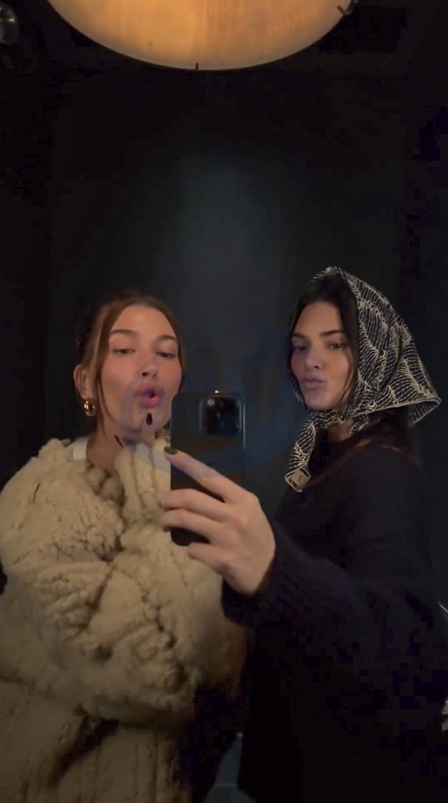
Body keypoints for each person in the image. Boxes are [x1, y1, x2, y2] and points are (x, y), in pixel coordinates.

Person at [160, 267, 448, 802]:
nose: (311, 361)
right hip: (295, 772)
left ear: (376, 355)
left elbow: (405, 649)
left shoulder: (382, 471)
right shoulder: (324, 465)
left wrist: (274, 570)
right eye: (300, 346)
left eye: (335, 345)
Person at [0, 291, 246, 803]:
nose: (149, 366)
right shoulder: (39, 496)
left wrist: (159, 467)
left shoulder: (202, 490)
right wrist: (154, 473)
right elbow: (160, 674)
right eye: (126, 349)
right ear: (85, 381)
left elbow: (227, 669)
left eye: (166, 352)